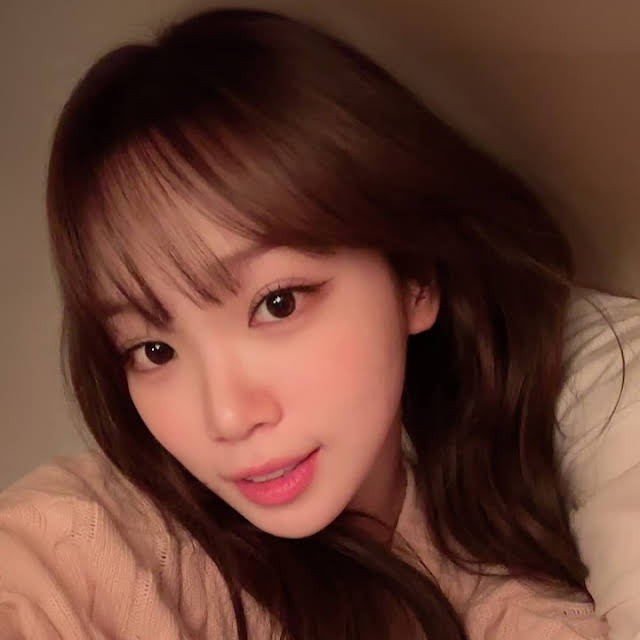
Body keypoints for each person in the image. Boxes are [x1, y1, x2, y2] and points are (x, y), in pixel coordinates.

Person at [0, 7, 626, 639]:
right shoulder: (88, 546)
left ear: (415, 279)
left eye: (278, 304)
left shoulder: (510, 581)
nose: (228, 417)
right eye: (153, 350)